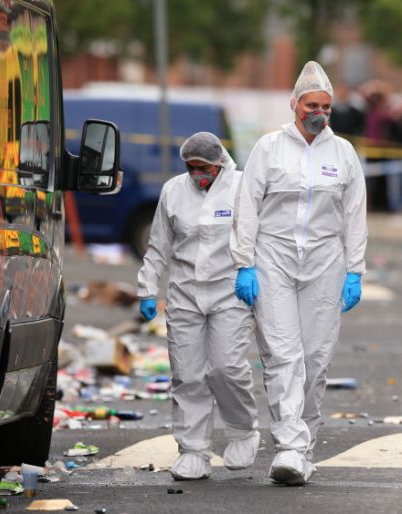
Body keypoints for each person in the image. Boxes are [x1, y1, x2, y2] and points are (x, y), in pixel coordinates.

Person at [231, 61, 368, 486]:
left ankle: (305, 446)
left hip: (326, 263)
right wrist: (244, 263)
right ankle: (289, 446)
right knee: (283, 355)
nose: (320, 113)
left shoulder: (342, 153)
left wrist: (355, 269)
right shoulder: (269, 149)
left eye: (326, 107)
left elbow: (354, 215)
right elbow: (247, 207)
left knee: (315, 358)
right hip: (273, 258)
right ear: (294, 104)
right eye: (312, 105)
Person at [137, 132, 260, 481]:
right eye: (190, 167)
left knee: (226, 368)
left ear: (219, 162)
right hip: (185, 294)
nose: (196, 174)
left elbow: (258, 236)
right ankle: (193, 451)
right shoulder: (173, 191)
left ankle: (241, 431)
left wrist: (253, 272)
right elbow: (159, 244)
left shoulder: (242, 187)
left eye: (202, 167)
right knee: (188, 375)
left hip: (229, 291)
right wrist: (147, 288)